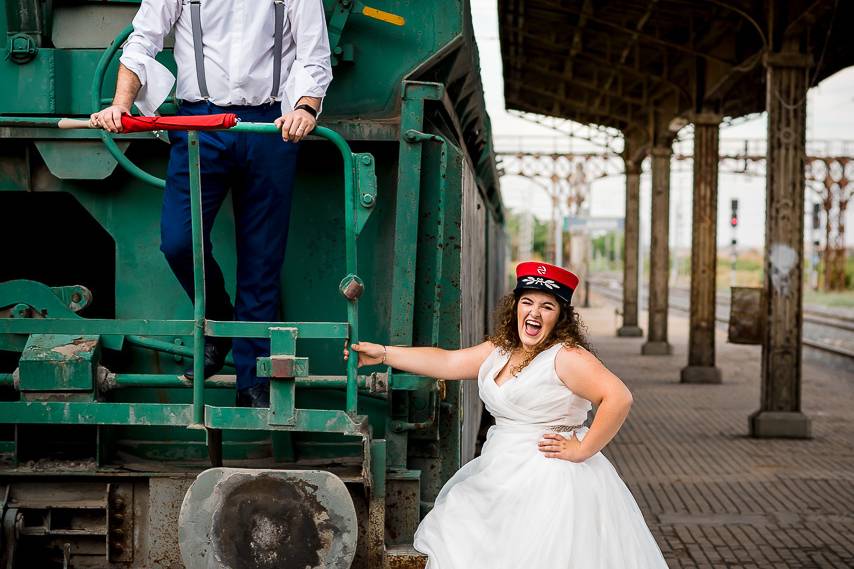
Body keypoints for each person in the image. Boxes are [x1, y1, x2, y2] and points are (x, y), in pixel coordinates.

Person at [346, 262, 668, 568]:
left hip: (550, 480)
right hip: (501, 473)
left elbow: (618, 397)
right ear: (516, 307)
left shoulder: (566, 356)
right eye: (528, 302)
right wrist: (384, 354)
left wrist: (584, 448)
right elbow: (448, 362)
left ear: (561, 317)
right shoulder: (502, 349)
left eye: (547, 307)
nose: (535, 312)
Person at [90, 0, 332, 407]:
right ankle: (218, 316)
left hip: (271, 125)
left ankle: (251, 381)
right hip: (200, 126)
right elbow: (142, 40)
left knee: (262, 260)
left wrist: (306, 108)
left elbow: (314, 55)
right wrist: (120, 103)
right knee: (178, 241)